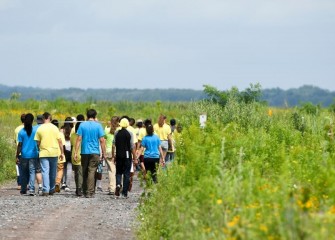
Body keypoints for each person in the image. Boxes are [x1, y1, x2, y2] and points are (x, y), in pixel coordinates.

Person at [74, 109, 106, 198]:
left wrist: (76, 152)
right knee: (92, 171)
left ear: (87, 116)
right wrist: (104, 152)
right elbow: (102, 140)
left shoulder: (82, 125)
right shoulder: (98, 126)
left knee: (84, 171)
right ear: (95, 116)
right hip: (95, 152)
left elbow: (79, 139)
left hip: (84, 152)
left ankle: (84, 190)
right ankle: (90, 191)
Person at [34, 112, 64, 196]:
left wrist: (40, 147)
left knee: (45, 171)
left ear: (43, 118)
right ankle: (52, 189)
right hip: (54, 152)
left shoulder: (40, 128)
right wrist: (62, 152)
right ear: (50, 118)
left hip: (43, 152)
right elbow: (60, 141)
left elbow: (37, 141)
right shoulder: (55, 128)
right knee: (53, 172)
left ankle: (45, 190)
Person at [112, 118, 137, 198]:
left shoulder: (116, 133)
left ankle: (118, 184)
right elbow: (132, 146)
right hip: (127, 155)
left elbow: (113, 145)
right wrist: (135, 157)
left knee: (118, 172)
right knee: (126, 173)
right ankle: (124, 193)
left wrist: (113, 155)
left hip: (119, 154)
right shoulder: (129, 133)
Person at [15, 113, 39, 195]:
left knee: (24, 172)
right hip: (34, 154)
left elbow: (20, 145)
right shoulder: (35, 131)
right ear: (32, 121)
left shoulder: (21, 132)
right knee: (32, 171)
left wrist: (17, 155)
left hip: (24, 155)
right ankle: (32, 189)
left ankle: (23, 189)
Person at [71, 114, 85, 196]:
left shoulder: (73, 135)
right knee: (80, 173)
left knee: (76, 173)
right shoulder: (83, 136)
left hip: (74, 154)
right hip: (81, 154)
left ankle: (77, 188)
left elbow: (72, 145)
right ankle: (80, 189)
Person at [105, 116, 119, 195]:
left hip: (109, 151)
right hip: (118, 151)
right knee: (119, 169)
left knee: (111, 170)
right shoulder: (119, 130)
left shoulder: (107, 130)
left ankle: (112, 188)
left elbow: (103, 139)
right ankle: (119, 185)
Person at [51, 119, 66, 193]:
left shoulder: (49, 133)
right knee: (60, 169)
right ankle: (57, 182)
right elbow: (62, 144)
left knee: (51, 170)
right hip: (59, 153)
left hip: (51, 153)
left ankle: (52, 185)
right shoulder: (60, 133)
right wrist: (63, 153)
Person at [61, 117, 74, 191]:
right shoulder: (73, 129)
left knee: (63, 167)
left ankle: (63, 182)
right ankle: (67, 185)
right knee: (69, 167)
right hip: (70, 147)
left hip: (63, 147)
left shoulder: (62, 129)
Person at [14, 113, 25, 190]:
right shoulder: (30, 128)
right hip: (28, 151)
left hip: (19, 151)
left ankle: (20, 184)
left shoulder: (17, 129)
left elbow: (16, 141)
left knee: (19, 168)